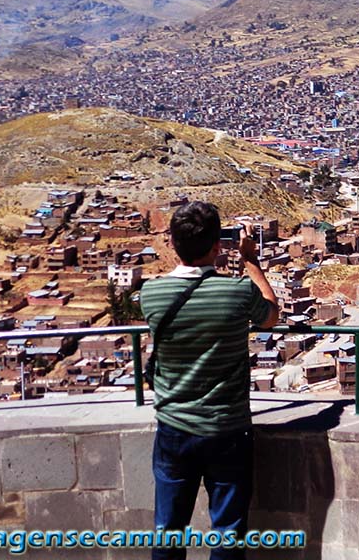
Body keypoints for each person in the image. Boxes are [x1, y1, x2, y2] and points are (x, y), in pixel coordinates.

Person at [139, 202, 280, 559]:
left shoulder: (151, 295)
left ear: (171, 242)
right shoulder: (237, 293)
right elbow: (271, 316)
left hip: (174, 428)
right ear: (218, 246)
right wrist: (250, 261)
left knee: (168, 531)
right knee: (228, 534)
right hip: (227, 430)